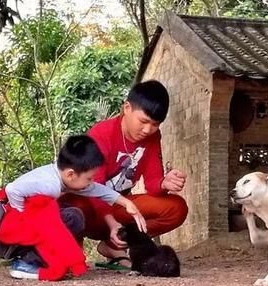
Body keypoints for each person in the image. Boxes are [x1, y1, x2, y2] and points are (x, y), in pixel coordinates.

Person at [60, 80, 188, 269]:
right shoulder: (102, 133)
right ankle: (69, 252)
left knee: (176, 208)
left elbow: (152, 183)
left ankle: (113, 246)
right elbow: (93, 188)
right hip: (90, 209)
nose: (147, 130)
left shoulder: (152, 137)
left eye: (155, 124)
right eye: (143, 121)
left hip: (120, 207)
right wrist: (111, 223)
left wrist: (164, 183)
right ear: (127, 108)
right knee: (73, 205)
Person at [0, 135, 146, 280]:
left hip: (19, 229)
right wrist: (22, 214)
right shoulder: (50, 184)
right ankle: (25, 263)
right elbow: (12, 189)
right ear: (70, 174)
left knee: (72, 215)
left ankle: (38, 259)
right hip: (6, 235)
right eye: (89, 178)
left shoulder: (65, 177)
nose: (91, 182)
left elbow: (97, 190)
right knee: (70, 218)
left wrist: (126, 203)